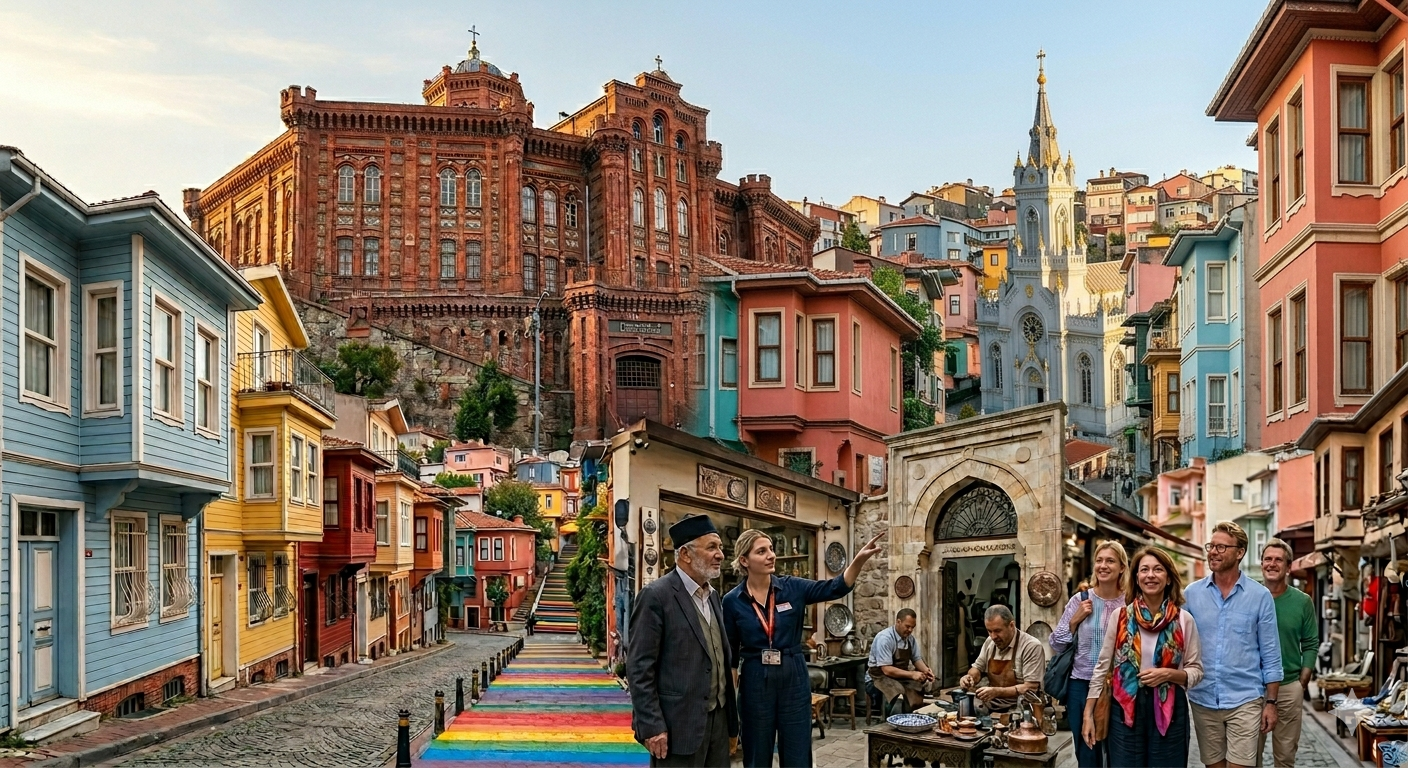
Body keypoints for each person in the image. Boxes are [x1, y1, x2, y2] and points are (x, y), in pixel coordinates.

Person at [723, 528, 885, 768]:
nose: (771, 555)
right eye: (762, 551)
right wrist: (730, 704)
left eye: (771, 549)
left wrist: (858, 560)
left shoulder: (792, 587)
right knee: (756, 753)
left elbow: (836, 587)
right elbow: (731, 656)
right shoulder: (732, 601)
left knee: (798, 752)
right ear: (744, 561)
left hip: (793, 674)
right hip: (755, 678)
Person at [626, 515, 738, 767]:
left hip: (717, 725)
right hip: (677, 727)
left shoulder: (713, 597)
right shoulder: (656, 597)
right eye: (711, 547)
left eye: (719, 547)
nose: (720, 554)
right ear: (685, 554)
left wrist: (730, 722)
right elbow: (639, 668)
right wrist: (652, 725)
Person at [1085, 546, 1203, 768]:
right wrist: (1088, 713)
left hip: (1170, 710)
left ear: (1168, 578)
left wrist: (1169, 674)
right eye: (1144, 570)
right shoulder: (1120, 617)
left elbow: (1196, 671)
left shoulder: (1184, 620)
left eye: (1158, 570)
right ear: (1136, 578)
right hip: (1124, 708)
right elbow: (1102, 667)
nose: (1150, 575)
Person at [1183, 521, 1282, 768]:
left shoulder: (1260, 596)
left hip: (1245, 699)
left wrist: (1271, 703)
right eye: (1211, 546)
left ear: (1240, 552)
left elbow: (1271, 653)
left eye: (1221, 547)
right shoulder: (1191, 594)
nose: (1213, 552)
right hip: (1203, 698)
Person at [1051, 540, 1128, 767]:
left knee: (1118, 751)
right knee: (1087, 752)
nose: (1103, 566)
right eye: (1099, 560)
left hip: (1119, 686)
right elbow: (1056, 644)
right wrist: (1074, 621)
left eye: (1110, 561)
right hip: (1081, 684)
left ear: (1122, 567)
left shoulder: (1130, 601)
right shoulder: (1080, 600)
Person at [1258, 537, 1318, 768]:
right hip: (1254, 688)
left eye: (1278, 560)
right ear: (1262, 563)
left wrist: (1303, 679)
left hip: (1289, 685)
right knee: (1250, 756)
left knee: (1285, 757)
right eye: (1268, 559)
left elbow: (1311, 642)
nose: (1272, 564)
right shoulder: (1249, 596)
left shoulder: (1302, 601)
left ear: (1288, 567)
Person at [958, 604, 1046, 714]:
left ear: (1011, 625)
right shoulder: (990, 642)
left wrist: (997, 691)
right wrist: (969, 678)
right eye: (989, 631)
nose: (993, 636)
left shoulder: (1031, 646)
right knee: (964, 709)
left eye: (997, 631)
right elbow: (977, 668)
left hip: (1022, 704)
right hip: (994, 701)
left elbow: (1030, 687)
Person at [865, 608, 937, 713]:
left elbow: (916, 659)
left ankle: (912, 717)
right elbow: (887, 670)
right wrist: (912, 674)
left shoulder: (910, 639)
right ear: (898, 622)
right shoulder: (885, 638)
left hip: (899, 676)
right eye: (907, 626)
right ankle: (890, 722)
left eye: (912, 627)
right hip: (877, 678)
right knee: (898, 691)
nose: (910, 630)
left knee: (918, 685)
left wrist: (927, 671)